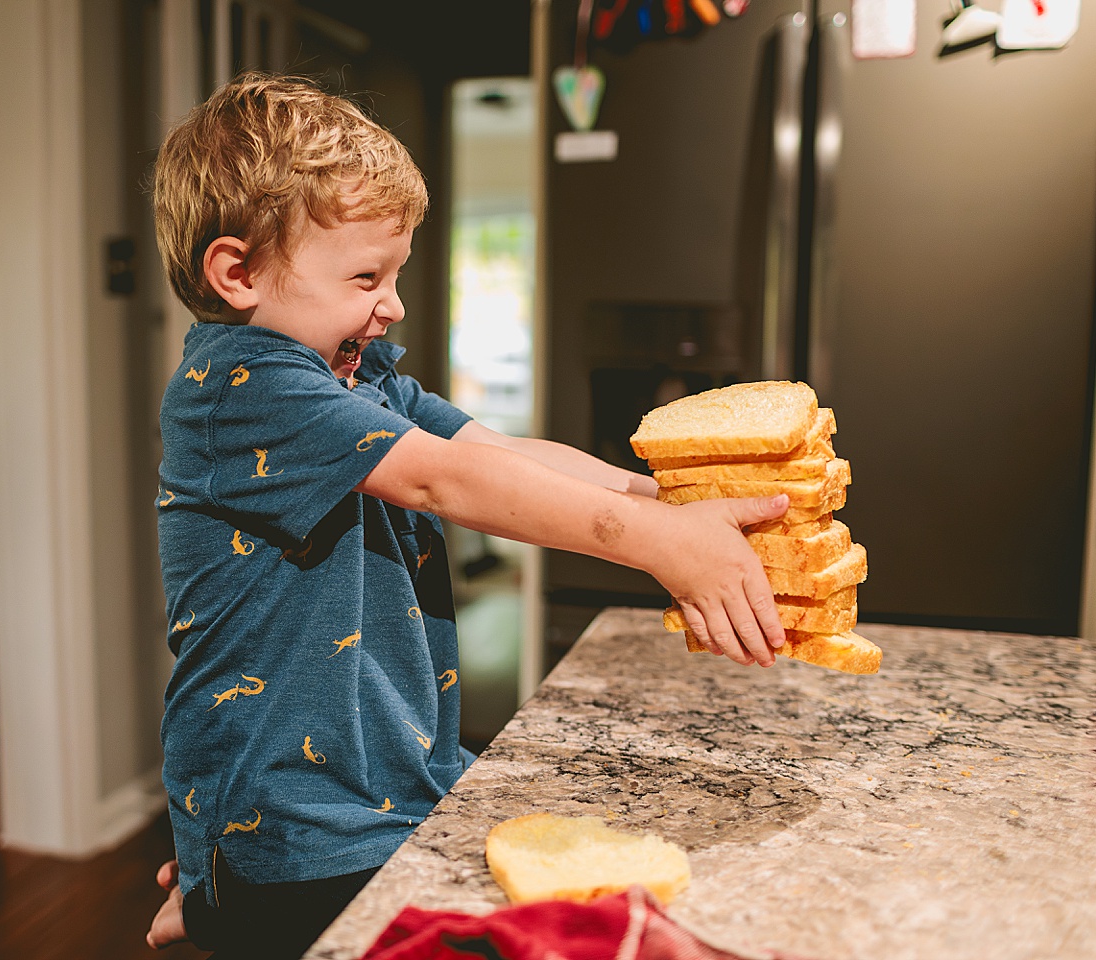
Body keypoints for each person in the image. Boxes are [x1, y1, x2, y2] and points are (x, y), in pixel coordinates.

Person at [145, 72, 788, 957]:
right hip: (299, 817)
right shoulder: (243, 387)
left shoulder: (358, 378)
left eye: (396, 272)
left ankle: (223, 901)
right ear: (238, 273)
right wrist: (657, 545)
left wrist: (666, 500)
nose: (394, 303)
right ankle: (225, 901)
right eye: (367, 275)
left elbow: (502, 454)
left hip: (380, 792)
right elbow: (447, 483)